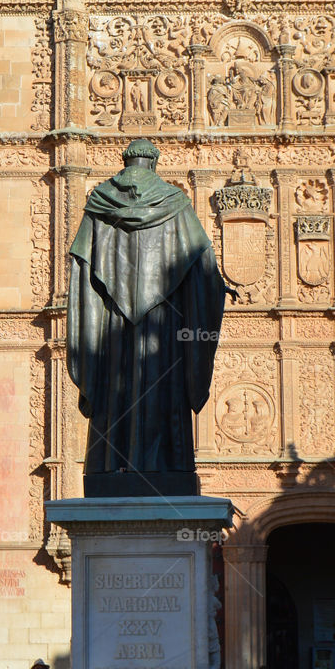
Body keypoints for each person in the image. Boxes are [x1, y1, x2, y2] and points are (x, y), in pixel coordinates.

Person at [67, 138, 227, 498]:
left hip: (111, 329)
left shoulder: (98, 205)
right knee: (162, 393)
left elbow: (82, 276)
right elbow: (203, 270)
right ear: (153, 164)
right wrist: (215, 291)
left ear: (126, 163)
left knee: (114, 396)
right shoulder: (176, 204)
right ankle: (164, 467)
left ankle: (111, 467)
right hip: (163, 331)